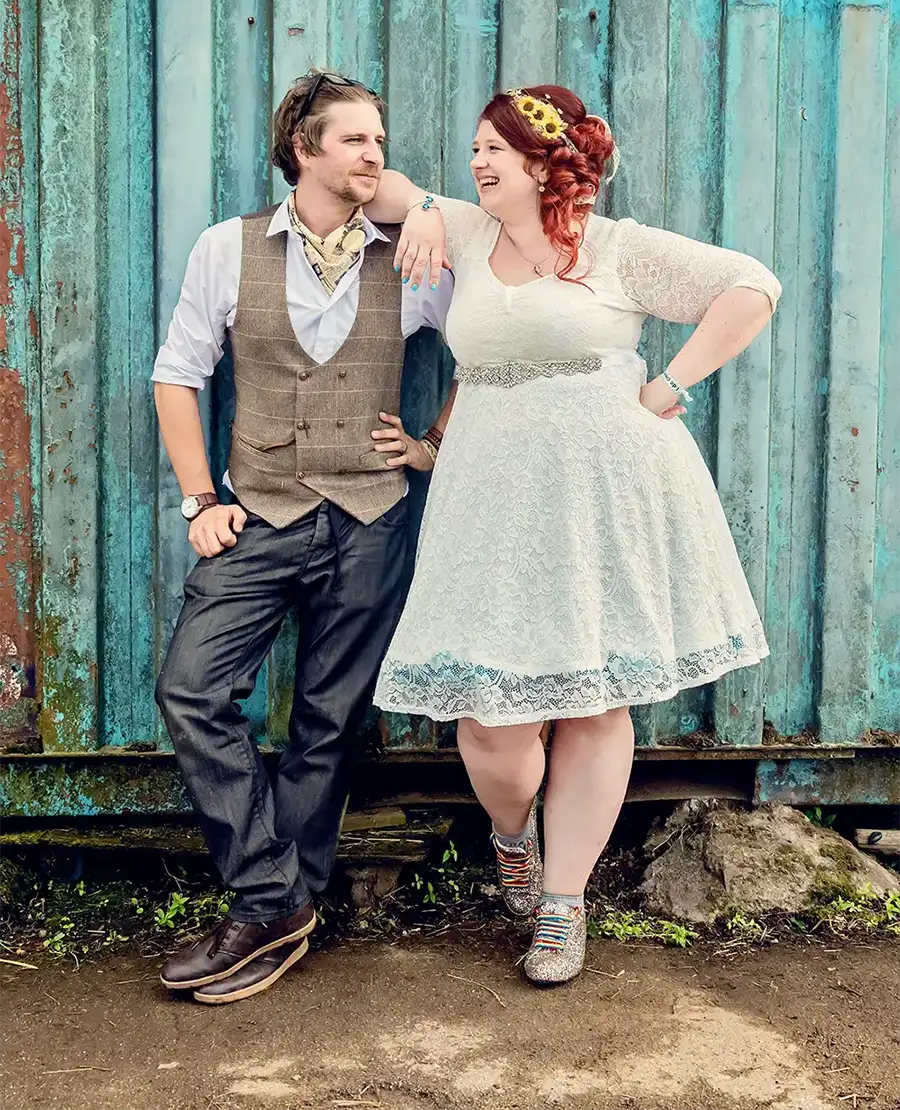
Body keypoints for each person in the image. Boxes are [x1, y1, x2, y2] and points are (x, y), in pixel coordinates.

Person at [369, 84, 781, 985]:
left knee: (597, 699)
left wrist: (668, 388)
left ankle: (563, 904)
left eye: (495, 152)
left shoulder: (617, 249)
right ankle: (512, 835)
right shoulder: (468, 234)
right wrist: (432, 208)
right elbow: (382, 189)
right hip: (489, 499)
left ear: (546, 164)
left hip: (603, 492)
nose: (478, 162)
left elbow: (753, 287)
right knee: (491, 721)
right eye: (474, 148)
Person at [152, 71, 454, 1005]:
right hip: (260, 510)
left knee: (328, 720)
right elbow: (177, 375)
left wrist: (431, 443)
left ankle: (277, 911)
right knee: (192, 690)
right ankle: (273, 896)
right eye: (358, 141)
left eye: (380, 140)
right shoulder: (227, 248)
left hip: (370, 520)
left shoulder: (410, 252)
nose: (376, 156)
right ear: (304, 151)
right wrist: (202, 499)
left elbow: (487, 350)